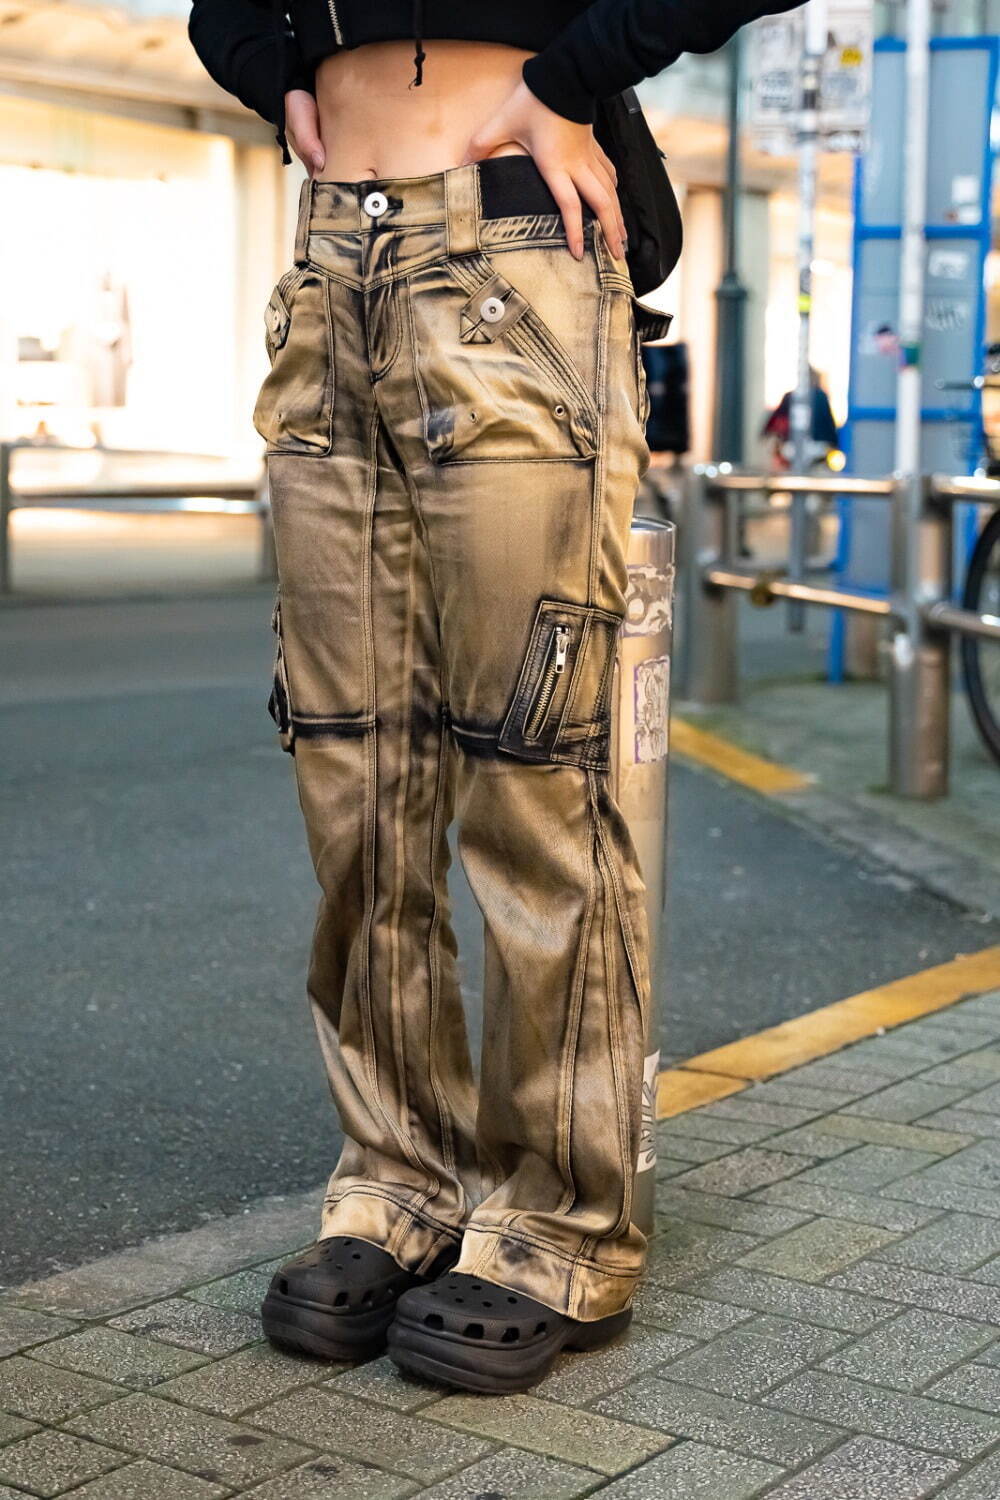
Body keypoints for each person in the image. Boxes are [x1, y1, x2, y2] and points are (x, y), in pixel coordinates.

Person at [187, 0, 804, 1395]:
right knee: (355, 775)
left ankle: (558, 1224)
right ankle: (397, 1185)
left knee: (541, 767)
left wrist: (569, 80)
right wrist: (277, 72)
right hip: (335, 260)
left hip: (516, 259)